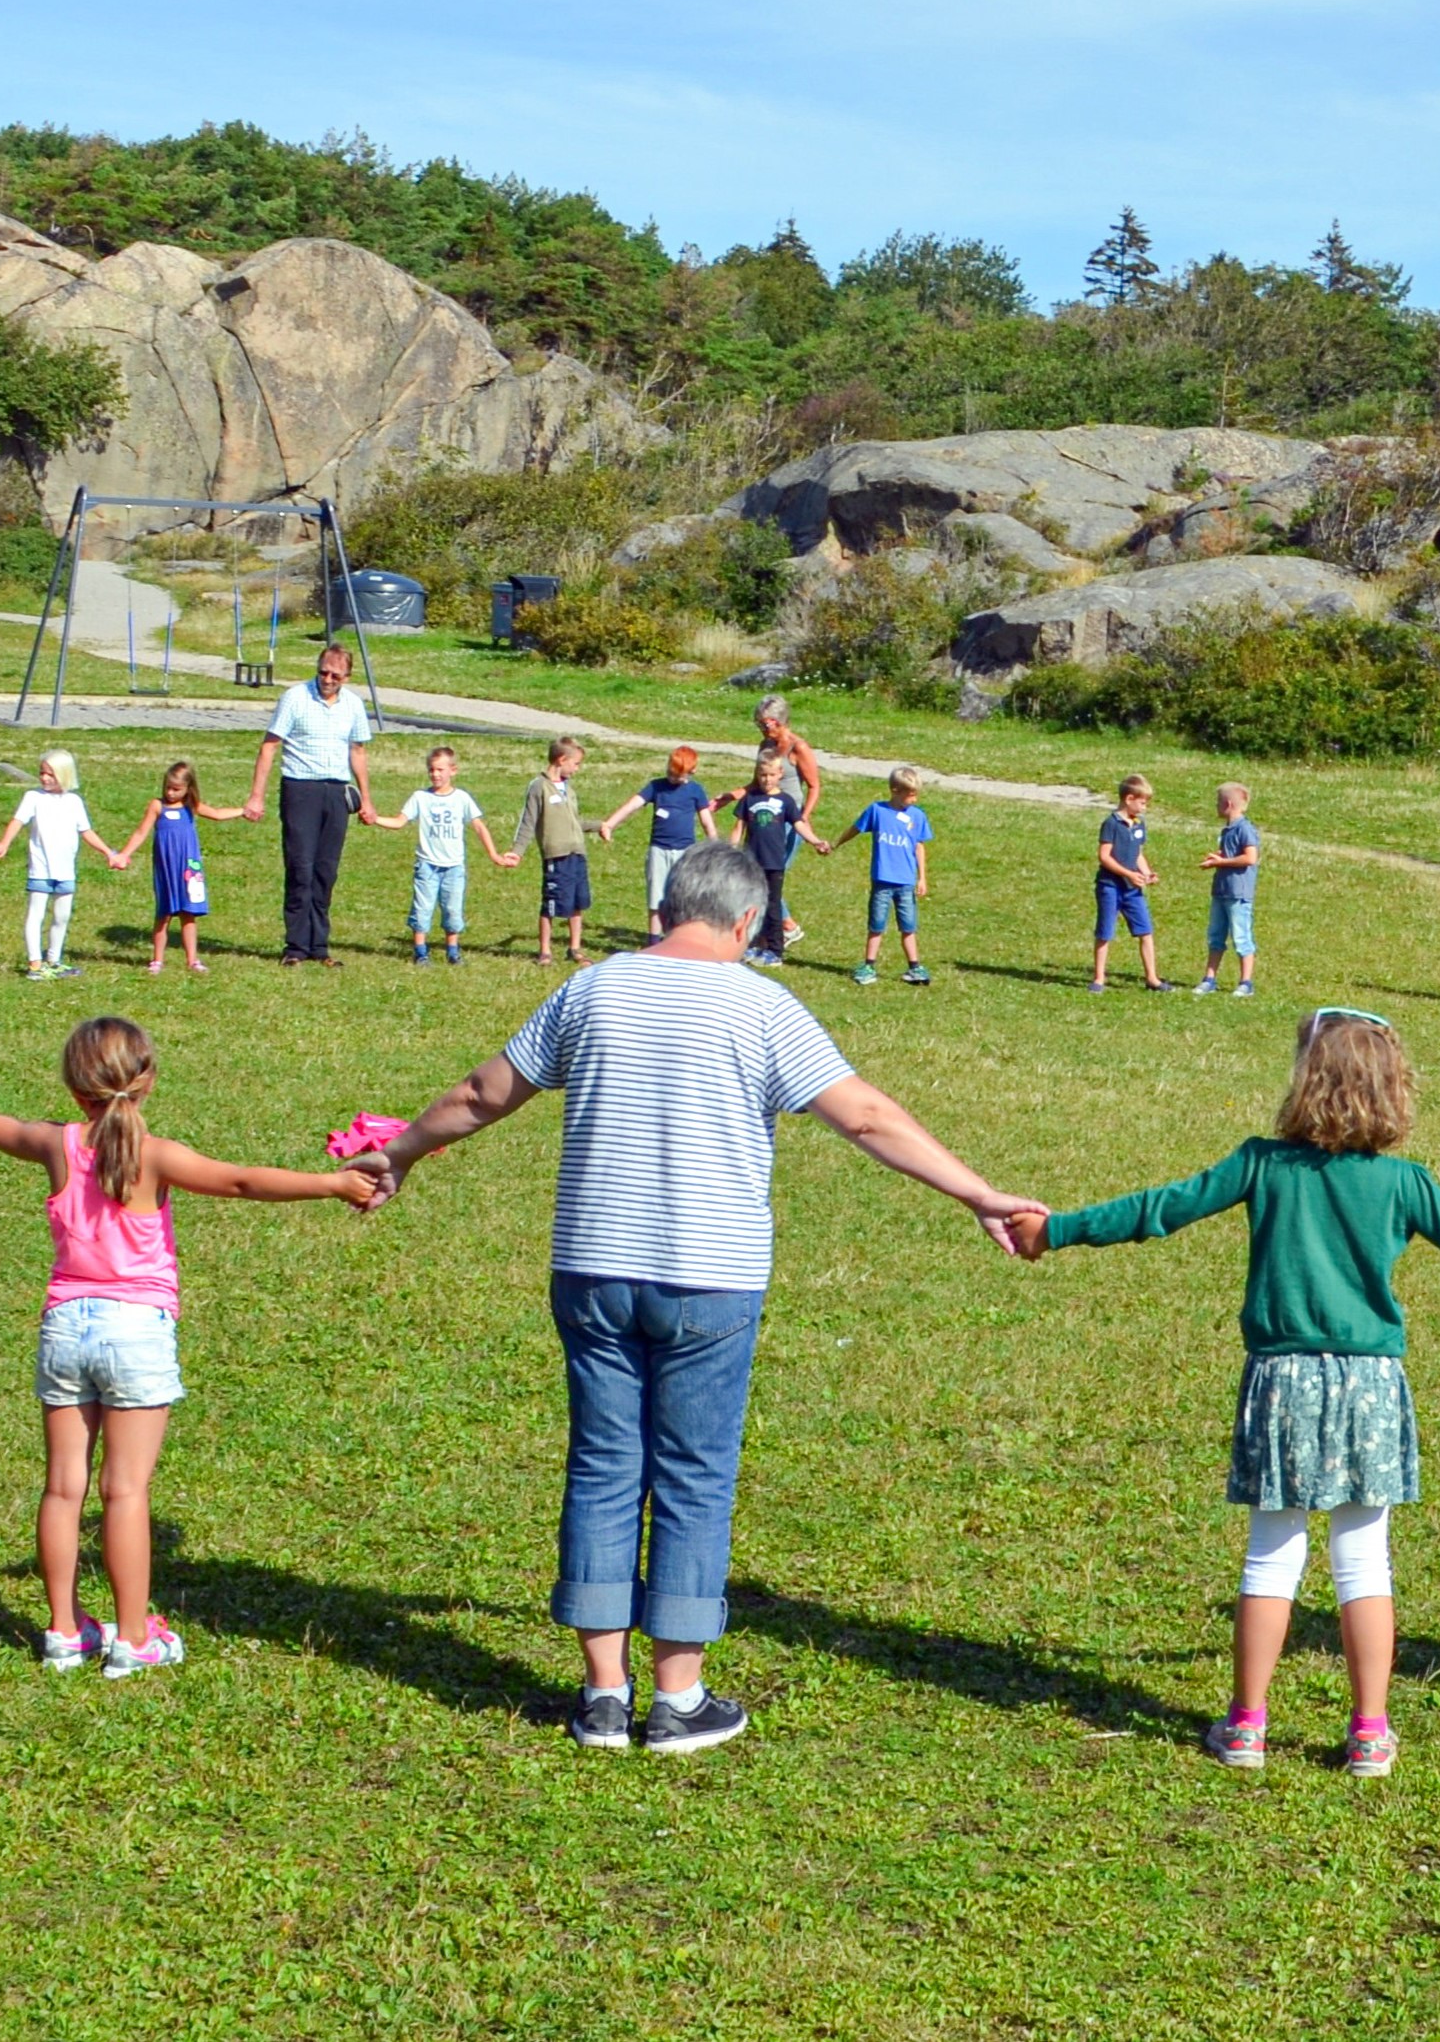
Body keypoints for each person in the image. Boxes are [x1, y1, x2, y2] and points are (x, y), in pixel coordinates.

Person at [344, 843, 1041, 1755]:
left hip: (593, 1267)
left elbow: (482, 1094)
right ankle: (677, 1698)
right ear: (747, 923)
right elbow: (864, 1115)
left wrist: (397, 1153)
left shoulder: (590, 990)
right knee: (693, 1473)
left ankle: (601, 1696)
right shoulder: (761, 1004)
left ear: (670, 905)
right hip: (710, 1274)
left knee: (602, 1464)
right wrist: (977, 1191)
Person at [1004, 1009, 1440, 1777]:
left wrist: (1059, 1229)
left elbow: (1158, 1210)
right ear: (1394, 1091)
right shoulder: (1405, 1183)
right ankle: (1370, 1734)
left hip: (1281, 1381)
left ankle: (1246, 1727)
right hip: (1371, 1388)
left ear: (1305, 1084)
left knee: (1271, 1555)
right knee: (1364, 1559)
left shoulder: (1261, 1164)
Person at [0, 1017, 375, 1678]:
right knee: (124, 1490)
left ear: (75, 1088)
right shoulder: (157, 1154)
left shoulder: (56, 1144)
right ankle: (133, 1637)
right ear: (147, 1078)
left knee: (63, 1488)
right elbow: (241, 1181)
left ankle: (64, 1631)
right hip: (136, 1332)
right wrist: (332, 1183)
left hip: (65, 1327)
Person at [247, 644, 376, 966]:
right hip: (300, 789)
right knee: (300, 868)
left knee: (325, 871)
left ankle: (319, 946)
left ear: (347, 676)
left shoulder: (354, 706)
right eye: (323, 672)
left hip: (335, 792)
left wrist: (367, 800)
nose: (327, 679)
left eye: (335, 674)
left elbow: (358, 752)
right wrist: (256, 796)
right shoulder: (295, 698)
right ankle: (295, 947)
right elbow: (269, 747)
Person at [377, 745, 508, 965]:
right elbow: (399, 821)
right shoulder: (420, 797)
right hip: (427, 866)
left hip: (454, 867)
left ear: (453, 770)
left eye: (440, 769)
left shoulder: (462, 799)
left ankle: (453, 951)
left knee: (453, 910)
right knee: (422, 909)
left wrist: (494, 855)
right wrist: (375, 819)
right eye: (432, 770)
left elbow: (479, 827)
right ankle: (420, 951)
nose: (435, 774)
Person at [123, 761, 250, 975]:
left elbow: (217, 814)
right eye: (168, 788)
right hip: (166, 868)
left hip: (188, 869)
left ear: (188, 788)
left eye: (176, 789)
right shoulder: (157, 806)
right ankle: (157, 960)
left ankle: (192, 960)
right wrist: (125, 853)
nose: (171, 793)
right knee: (164, 913)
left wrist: (244, 811)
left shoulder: (191, 807)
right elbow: (140, 833)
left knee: (188, 913)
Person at [0, 750, 100, 982]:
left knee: (61, 916)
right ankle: (35, 964)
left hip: (65, 871)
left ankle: (54, 960)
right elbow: (18, 821)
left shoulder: (74, 802)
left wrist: (108, 853)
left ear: (64, 775)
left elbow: (87, 831)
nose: (44, 778)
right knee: (36, 914)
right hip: (41, 868)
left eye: (50, 774)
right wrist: (4, 843)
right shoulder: (33, 797)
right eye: (42, 773)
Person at [598, 745, 719, 926]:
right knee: (656, 898)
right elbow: (632, 805)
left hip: (685, 851)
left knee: (682, 898)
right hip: (658, 850)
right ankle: (653, 939)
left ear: (692, 771)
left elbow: (707, 822)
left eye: (678, 776)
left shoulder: (696, 791)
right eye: (670, 772)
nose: (672, 778)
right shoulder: (656, 787)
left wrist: (715, 848)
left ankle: (677, 938)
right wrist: (610, 824)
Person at [713, 750, 809, 966]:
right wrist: (731, 849)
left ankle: (775, 950)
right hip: (751, 861)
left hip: (774, 863)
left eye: (771, 775)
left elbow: (799, 824)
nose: (767, 779)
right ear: (757, 774)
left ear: (780, 774)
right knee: (751, 904)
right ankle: (755, 945)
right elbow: (739, 827)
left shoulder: (786, 801)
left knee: (772, 906)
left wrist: (815, 841)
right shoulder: (750, 799)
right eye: (763, 775)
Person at [847, 768, 935, 987]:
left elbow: (919, 846)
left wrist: (922, 877)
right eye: (910, 794)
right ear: (895, 791)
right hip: (882, 881)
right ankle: (868, 965)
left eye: (916, 795)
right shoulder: (877, 811)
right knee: (876, 925)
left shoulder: (918, 816)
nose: (914, 799)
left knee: (908, 926)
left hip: (906, 882)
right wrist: (837, 843)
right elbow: (856, 829)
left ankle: (914, 967)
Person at [1091, 775, 1165, 993]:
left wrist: (1146, 873)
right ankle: (1098, 978)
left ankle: (1152, 978)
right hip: (1110, 886)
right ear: (1129, 798)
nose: (1145, 807)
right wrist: (1127, 874)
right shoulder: (1111, 824)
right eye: (1142, 802)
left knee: (1145, 931)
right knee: (1105, 931)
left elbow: (1138, 854)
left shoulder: (1139, 825)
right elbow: (1104, 856)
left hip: (1132, 889)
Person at [526, 738, 596, 965]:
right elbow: (528, 822)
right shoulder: (539, 787)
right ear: (561, 760)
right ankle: (545, 950)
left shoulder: (569, 790)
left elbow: (575, 821)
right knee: (552, 904)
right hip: (556, 855)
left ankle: (574, 948)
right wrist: (517, 851)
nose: (577, 769)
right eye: (575, 764)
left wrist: (599, 826)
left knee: (578, 903)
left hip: (577, 853)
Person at [1194, 782, 1260, 999]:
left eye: (1218, 803)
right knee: (1215, 936)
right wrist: (1218, 859)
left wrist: (1221, 862)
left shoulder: (1245, 829)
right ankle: (1209, 978)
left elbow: (1250, 857)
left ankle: (1246, 982)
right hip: (1221, 891)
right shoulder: (1227, 830)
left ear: (1228, 804)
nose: (1215, 806)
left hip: (1238, 893)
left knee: (1241, 938)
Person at [753, 696, 824, 824]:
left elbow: (814, 786)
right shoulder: (765, 745)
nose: (761, 729)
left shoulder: (798, 747)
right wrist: (729, 797)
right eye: (759, 724)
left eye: (765, 725)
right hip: (765, 810)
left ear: (780, 721)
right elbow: (755, 783)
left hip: (789, 815)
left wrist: (804, 817)